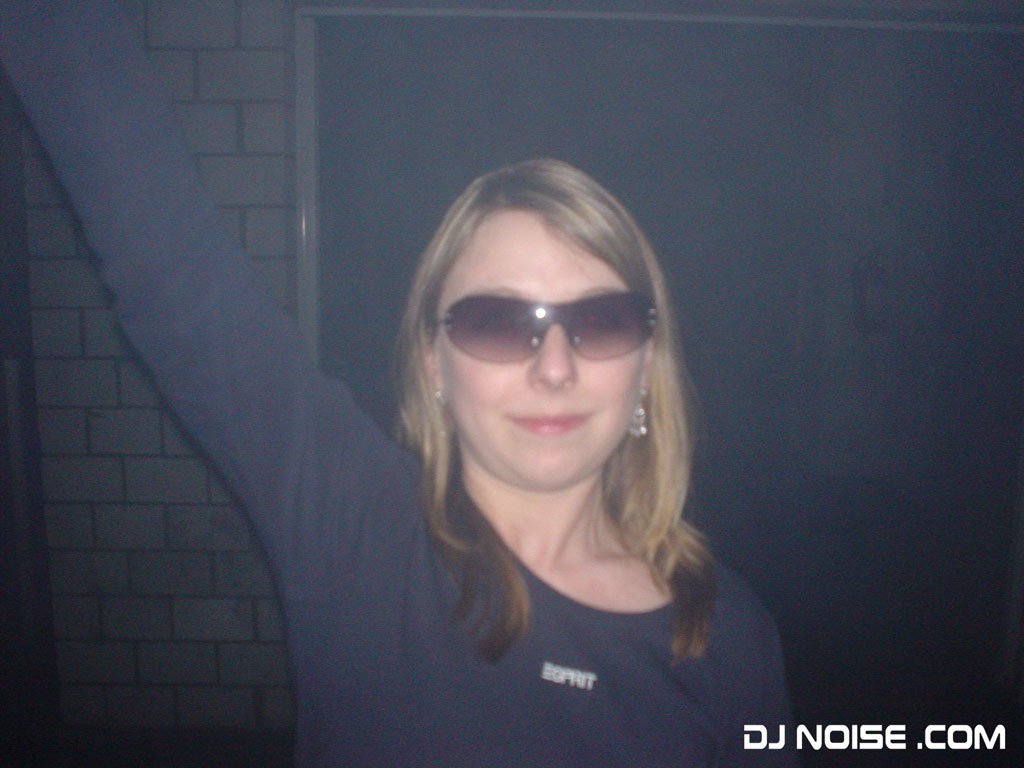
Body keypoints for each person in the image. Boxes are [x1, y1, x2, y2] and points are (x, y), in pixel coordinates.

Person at [1, 2, 796, 766]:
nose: (554, 368)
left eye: (599, 321)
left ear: (647, 363)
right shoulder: (355, 531)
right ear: (432, 365)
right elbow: (170, 267)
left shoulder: (726, 636)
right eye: (497, 321)